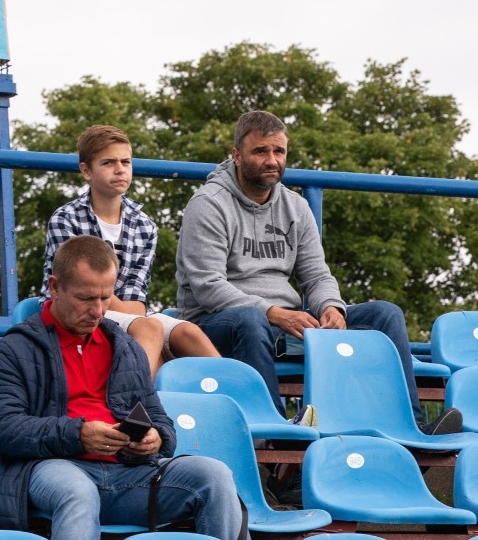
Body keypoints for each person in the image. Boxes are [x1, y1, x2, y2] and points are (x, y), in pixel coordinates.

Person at [175, 109, 462, 504]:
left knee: (384, 314)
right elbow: (208, 288)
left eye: (279, 151)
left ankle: (411, 431)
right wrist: (271, 311)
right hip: (220, 322)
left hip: (285, 322)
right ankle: (277, 444)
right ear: (237, 155)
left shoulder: (295, 207)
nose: (272, 160)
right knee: (249, 319)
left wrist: (332, 307)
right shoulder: (208, 204)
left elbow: (316, 273)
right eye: (260, 151)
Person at [0, 235, 244, 540]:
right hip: (53, 468)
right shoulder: (14, 349)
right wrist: (78, 435)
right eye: (85, 298)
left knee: (215, 475)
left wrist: (155, 439)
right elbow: (2, 429)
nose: (98, 310)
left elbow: (160, 421)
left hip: (129, 474)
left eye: (105, 297)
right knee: (77, 491)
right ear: (54, 287)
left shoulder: (124, 347)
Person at [40, 125, 219, 378]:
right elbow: (83, 288)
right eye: (108, 162)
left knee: (189, 332)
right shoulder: (66, 219)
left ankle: (239, 399)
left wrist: (136, 317)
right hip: (79, 309)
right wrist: (138, 321)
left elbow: (137, 292)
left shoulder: (144, 224)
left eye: (126, 161)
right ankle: (140, 404)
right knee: (149, 331)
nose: (120, 169)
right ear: (86, 171)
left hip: (129, 312)